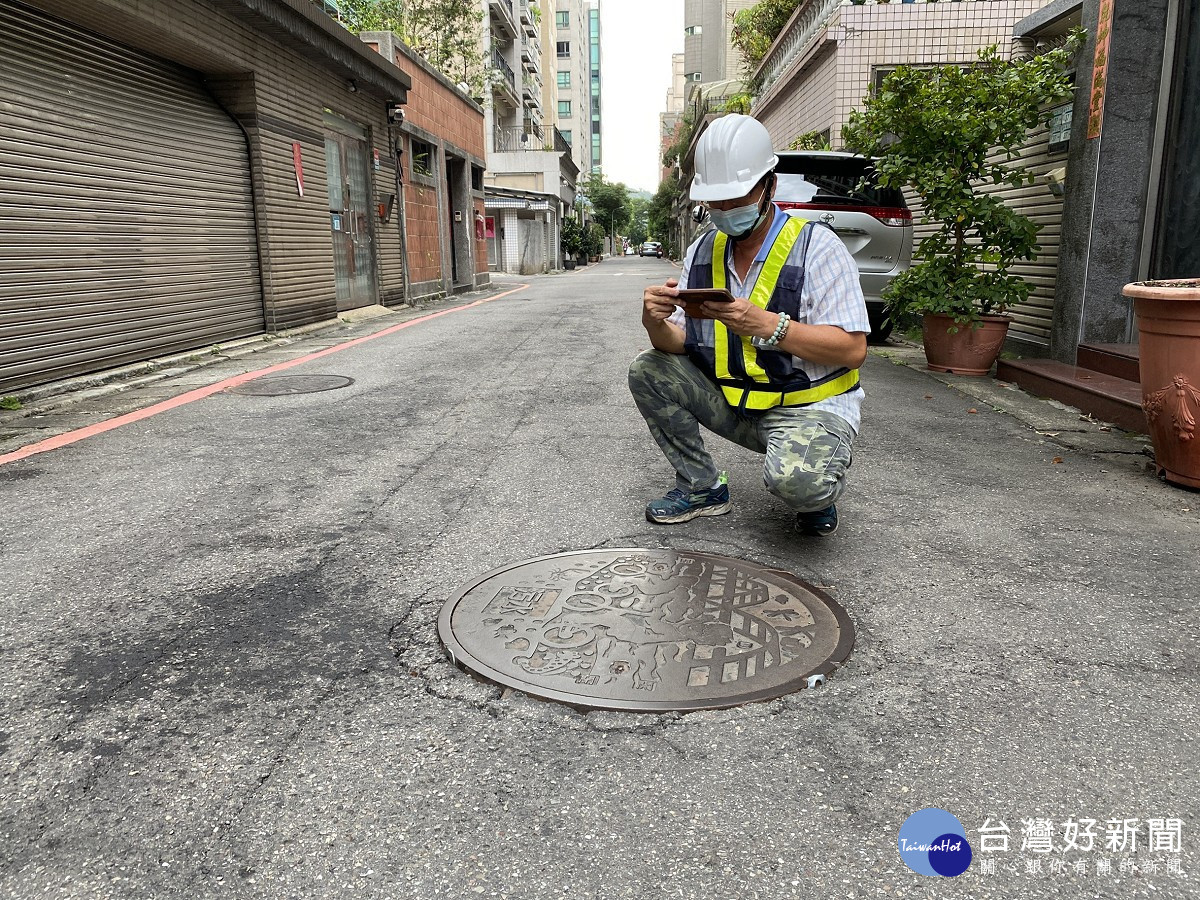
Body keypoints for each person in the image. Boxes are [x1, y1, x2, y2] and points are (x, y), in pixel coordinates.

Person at [628, 114, 869, 537]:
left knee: (800, 484)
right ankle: (702, 488)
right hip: (739, 402)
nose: (724, 211)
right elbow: (680, 342)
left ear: (769, 186)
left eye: (736, 198)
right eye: (715, 202)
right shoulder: (703, 250)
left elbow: (852, 350)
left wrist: (770, 326)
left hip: (806, 408)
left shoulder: (818, 247)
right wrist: (654, 323)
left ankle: (816, 491)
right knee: (648, 369)